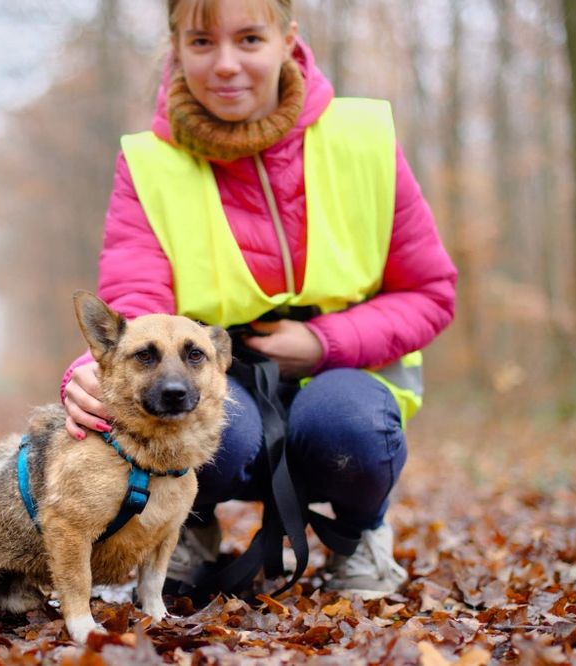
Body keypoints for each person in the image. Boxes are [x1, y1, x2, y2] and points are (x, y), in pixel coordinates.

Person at [61, 0, 456, 599]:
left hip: (349, 368)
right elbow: (134, 307)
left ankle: (359, 534)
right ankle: (182, 524)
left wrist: (323, 342)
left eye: (248, 39)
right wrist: (89, 373)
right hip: (218, 371)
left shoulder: (363, 138)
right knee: (201, 420)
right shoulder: (151, 163)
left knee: (352, 429)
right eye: (202, 42)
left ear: (287, 40)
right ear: (176, 47)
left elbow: (429, 291)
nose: (225, 64)